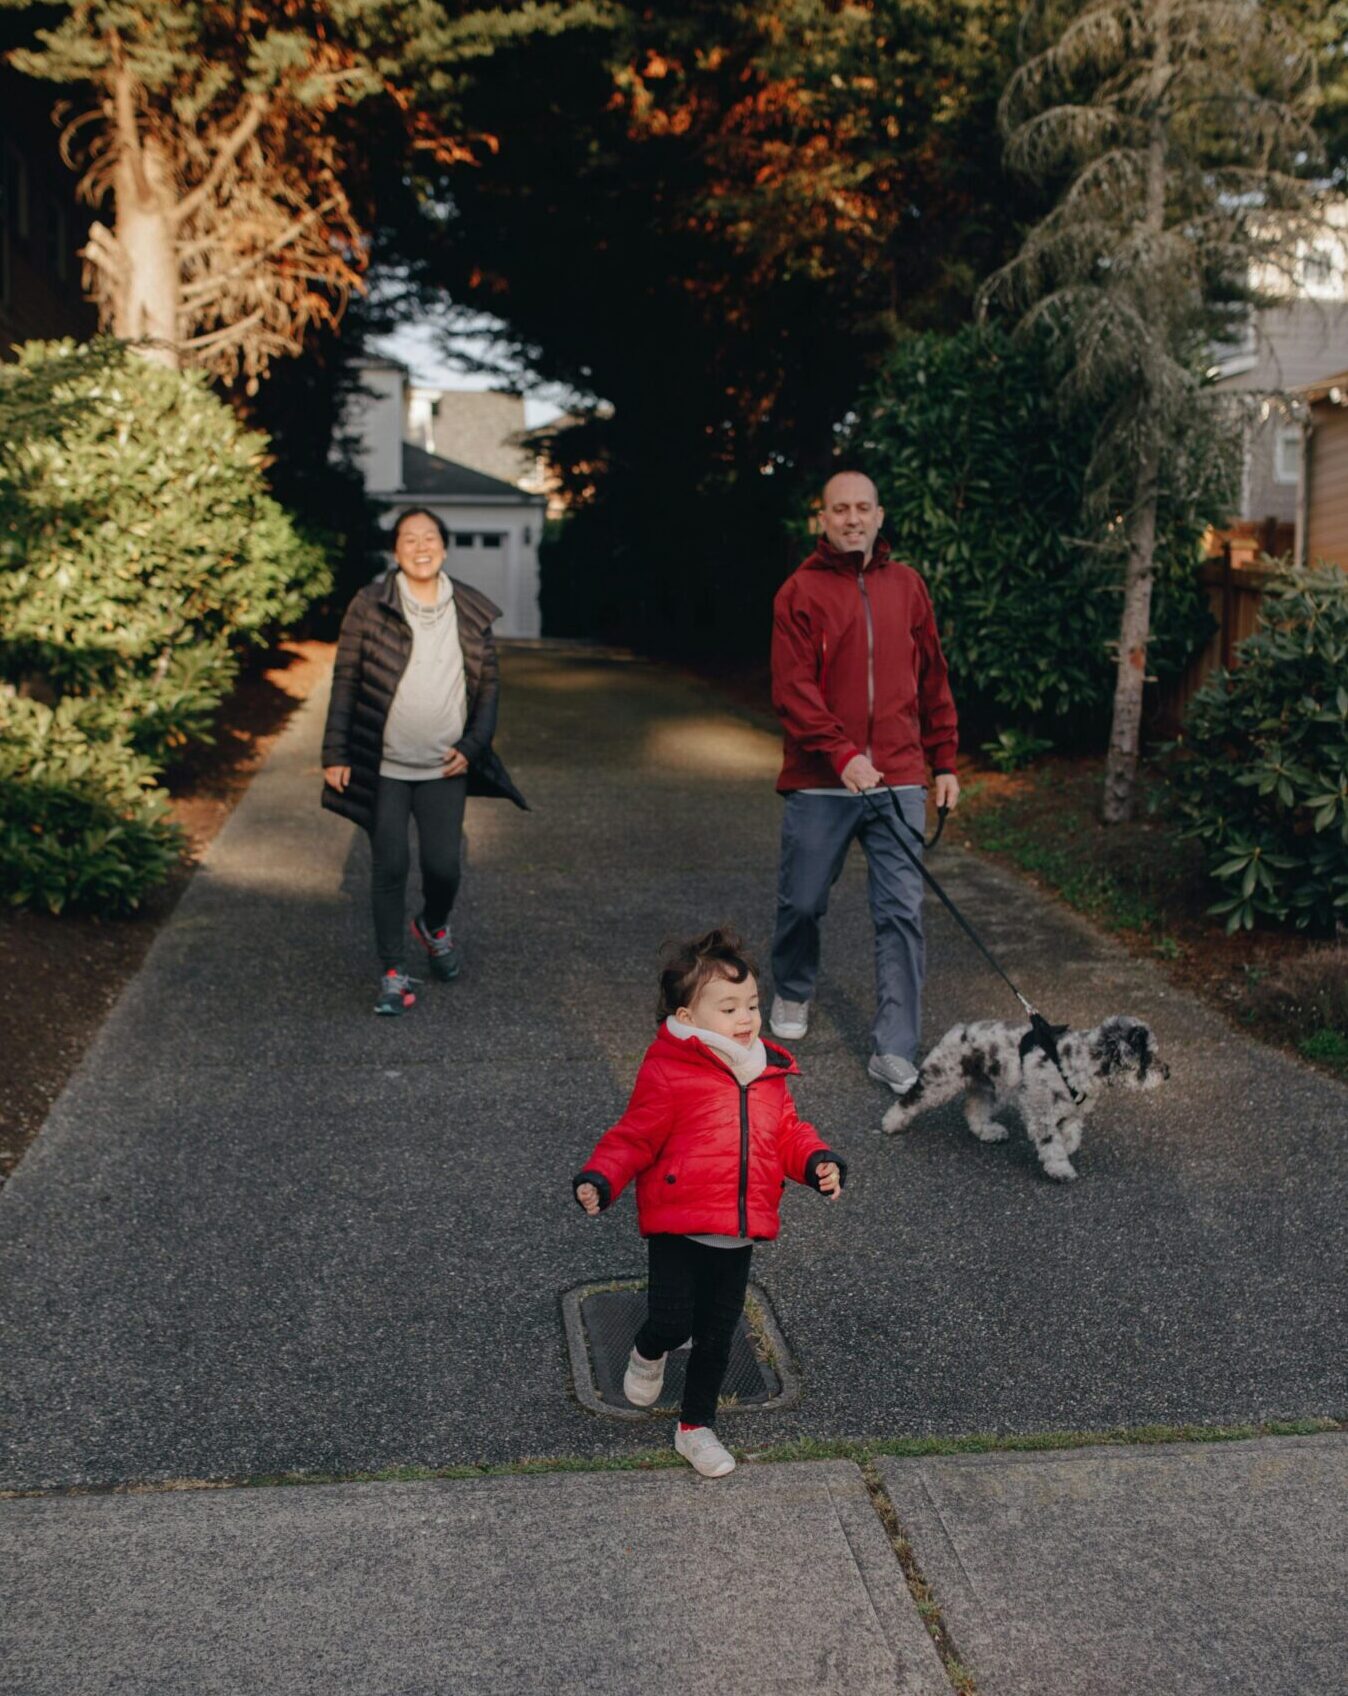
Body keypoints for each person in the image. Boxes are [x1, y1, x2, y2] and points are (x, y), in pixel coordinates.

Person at [572, 928, 845, 1478]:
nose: (746, 1017)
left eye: (751, 1004)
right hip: (680, 1224)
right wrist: (602, 1178)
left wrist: (816, 1161)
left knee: (718, 1335)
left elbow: (786, 1132)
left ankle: (696, 1428)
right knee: (672, 1321)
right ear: (688, 1017)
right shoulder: (671, 1069)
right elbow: (635, 1136)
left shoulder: (766, 1070)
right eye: (729, 1007)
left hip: (739, 1228)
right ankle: (649, 1351)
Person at [768, 470, 959, 1094]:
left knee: (901, 912)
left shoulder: (908, 586)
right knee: (801, 900)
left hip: (899, 778)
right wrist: (841, 753)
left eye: (863, 508)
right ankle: (793, 989)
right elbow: (791, 691)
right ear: (822, 518)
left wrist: (946, 761)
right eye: (839, 509)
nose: (852, 518)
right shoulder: (799, 592)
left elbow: (932, 678)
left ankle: (895, 1048)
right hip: (822, 780)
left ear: (880, 516)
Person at [321, 508, 527, 1016]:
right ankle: (392, 971)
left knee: (443, 867)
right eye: (408, 538)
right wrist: (335, 751)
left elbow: (489, 690)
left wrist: (473, 747)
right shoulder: (370, 606)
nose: (420, 546)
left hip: (444, 766)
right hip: (382, 764)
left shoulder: (471, 610)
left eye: (429, 537)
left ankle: (434, 925)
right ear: (396, 551)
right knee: (389, 866)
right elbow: (346, 679)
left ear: (444, 547)